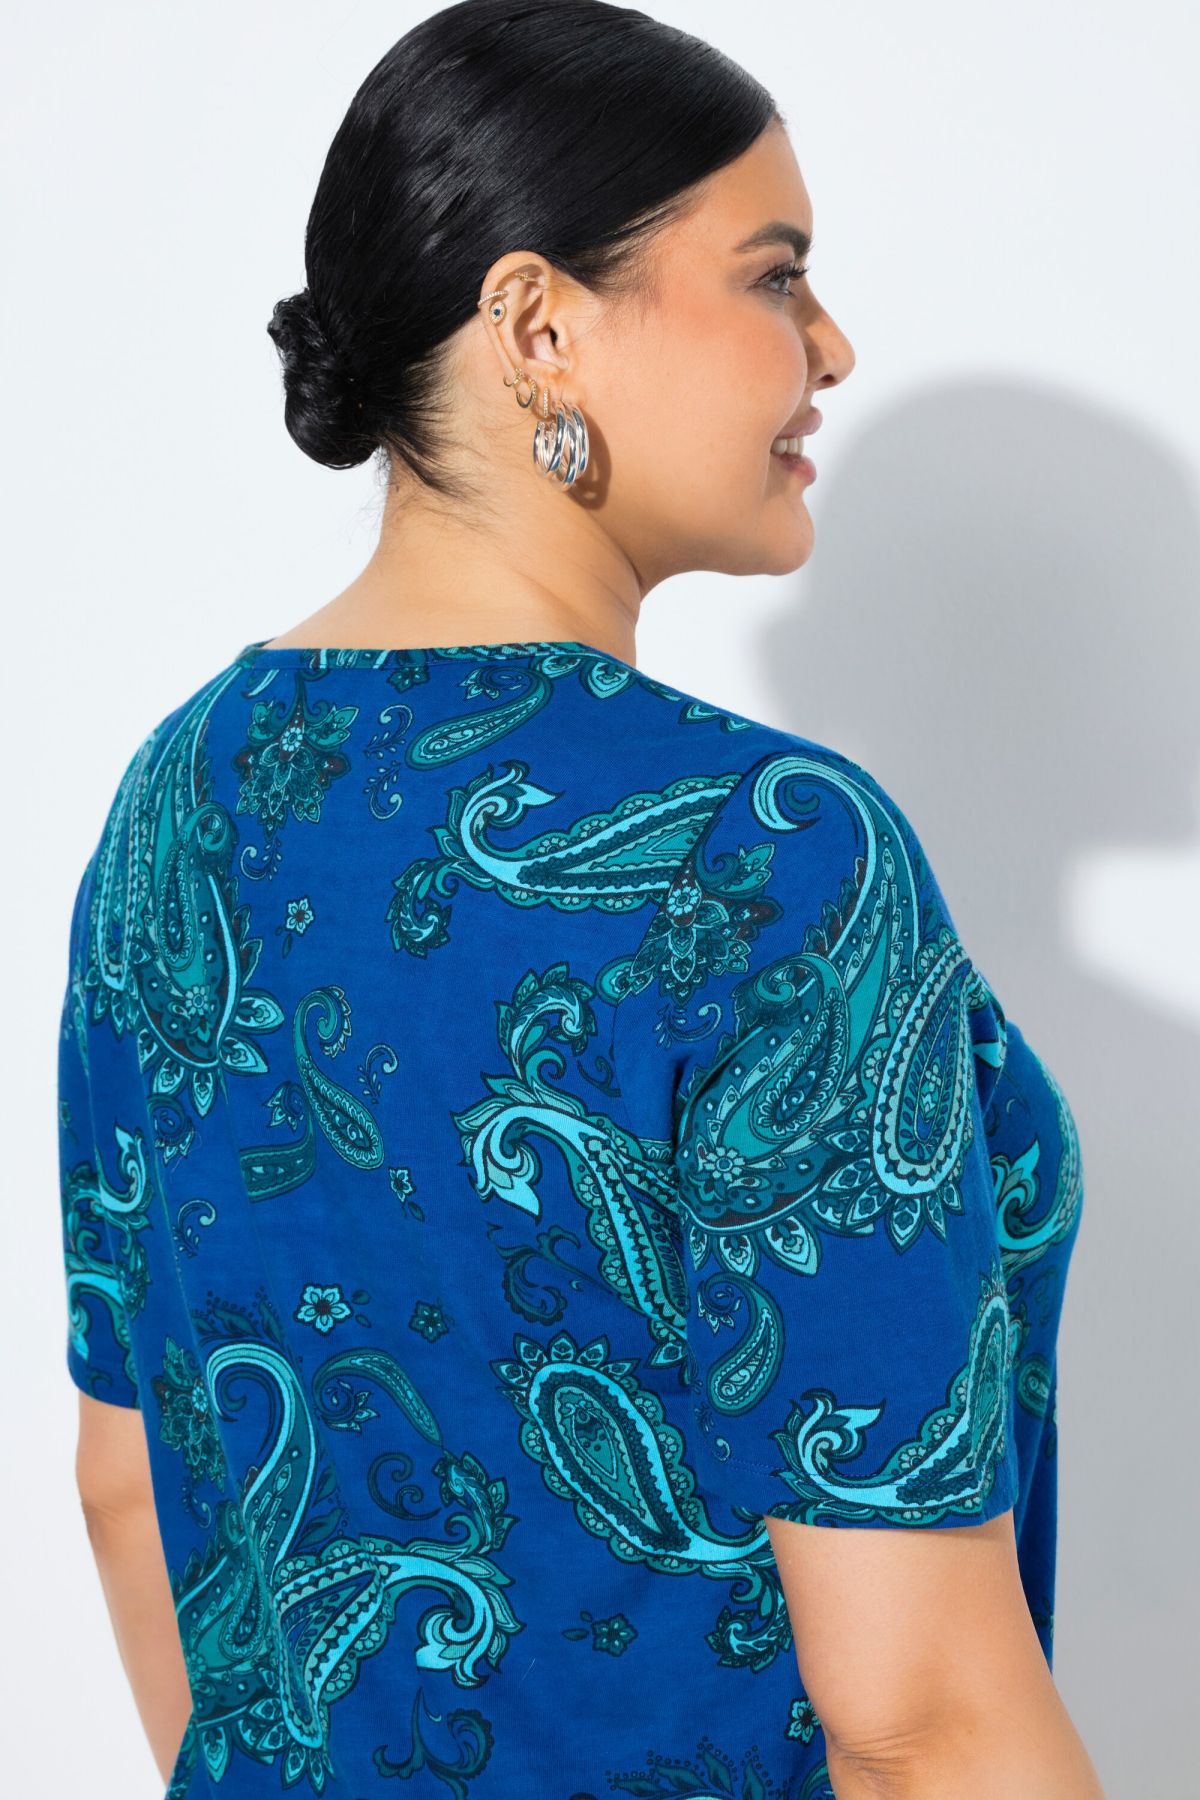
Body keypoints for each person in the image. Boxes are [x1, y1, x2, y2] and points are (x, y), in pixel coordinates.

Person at [57, 2, 1103, 1794]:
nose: (831, 346)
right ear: (539, 327)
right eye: (775, 275)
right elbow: (920, 1716)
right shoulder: (767, 856)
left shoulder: (178, 796)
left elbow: (125, 1482)